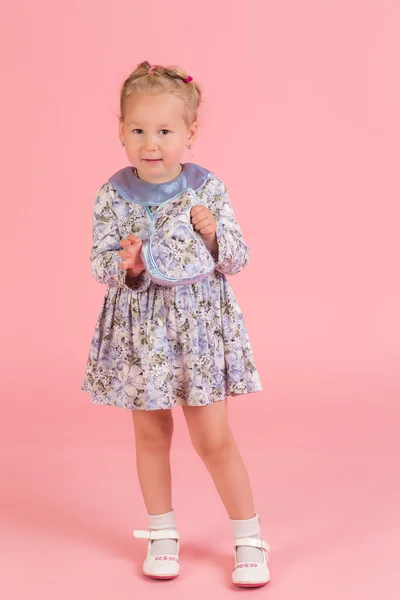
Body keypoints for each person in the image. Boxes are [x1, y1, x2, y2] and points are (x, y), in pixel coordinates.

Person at [81, 61, 271, 587]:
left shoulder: (206, 188)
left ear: (189, 133)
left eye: (164, 131)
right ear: (120, 129)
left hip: (199, 331)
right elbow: (98, 264)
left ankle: (248, 534)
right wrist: (129, 264)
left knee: (213, 438)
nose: (151, 143)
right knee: (151, 433)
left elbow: (236, 259)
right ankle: (162, 530)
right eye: (138, 130)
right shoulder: (113, 194)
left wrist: (212, 236)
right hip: (143, 336)